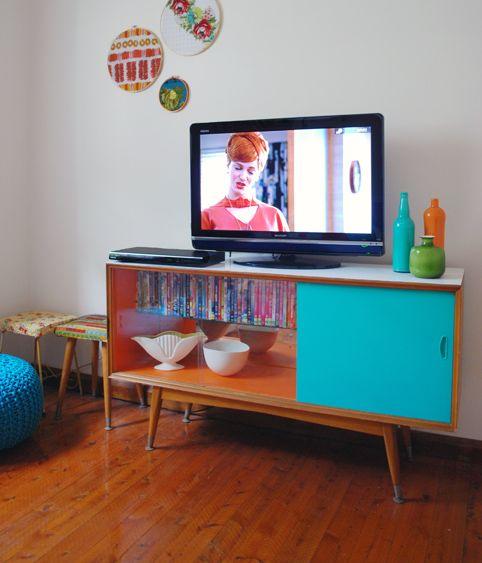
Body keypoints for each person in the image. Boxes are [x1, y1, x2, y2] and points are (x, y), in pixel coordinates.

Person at [201, 132, 290, 231]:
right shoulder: (207, 216)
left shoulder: (274, 216)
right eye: (238, 168)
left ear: (258, 175)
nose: (243, 177)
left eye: (251, 172)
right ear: (228, 166)